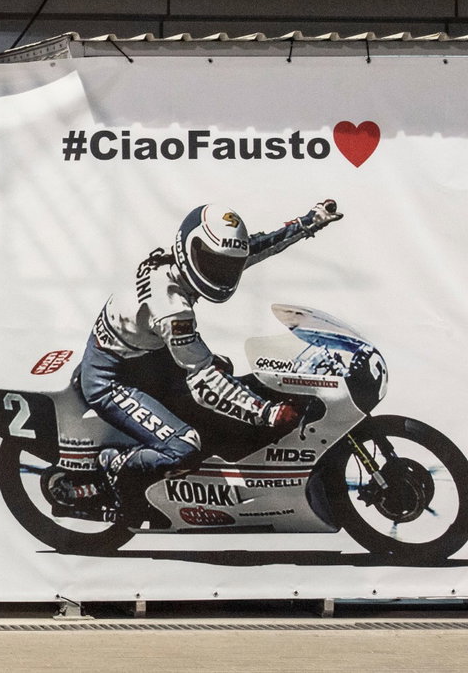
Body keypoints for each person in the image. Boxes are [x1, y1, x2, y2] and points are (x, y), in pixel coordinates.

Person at [78, 201, 343, 523]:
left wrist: (307, 223)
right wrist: (267, 412)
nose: (222, 273)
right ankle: (117, 464)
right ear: (188, 250)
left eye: (225, 266)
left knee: (223, 377)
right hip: (113, 376)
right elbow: (204, 379)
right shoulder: (172, 308)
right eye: (213, 263)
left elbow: (251, 250)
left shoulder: (182, 261)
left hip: (148, 355)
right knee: (185, 445)